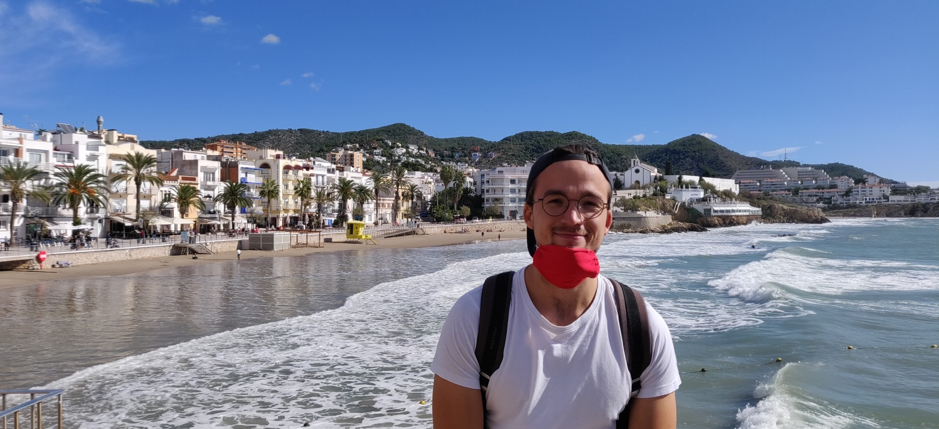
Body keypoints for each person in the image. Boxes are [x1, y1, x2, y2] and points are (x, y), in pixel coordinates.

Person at [431, 145, 680, 428]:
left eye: (589, 204)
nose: (573, 218)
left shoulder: (643, 330)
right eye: (555, 201)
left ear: (608, 220)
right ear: (528, 215)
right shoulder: (474, 318)